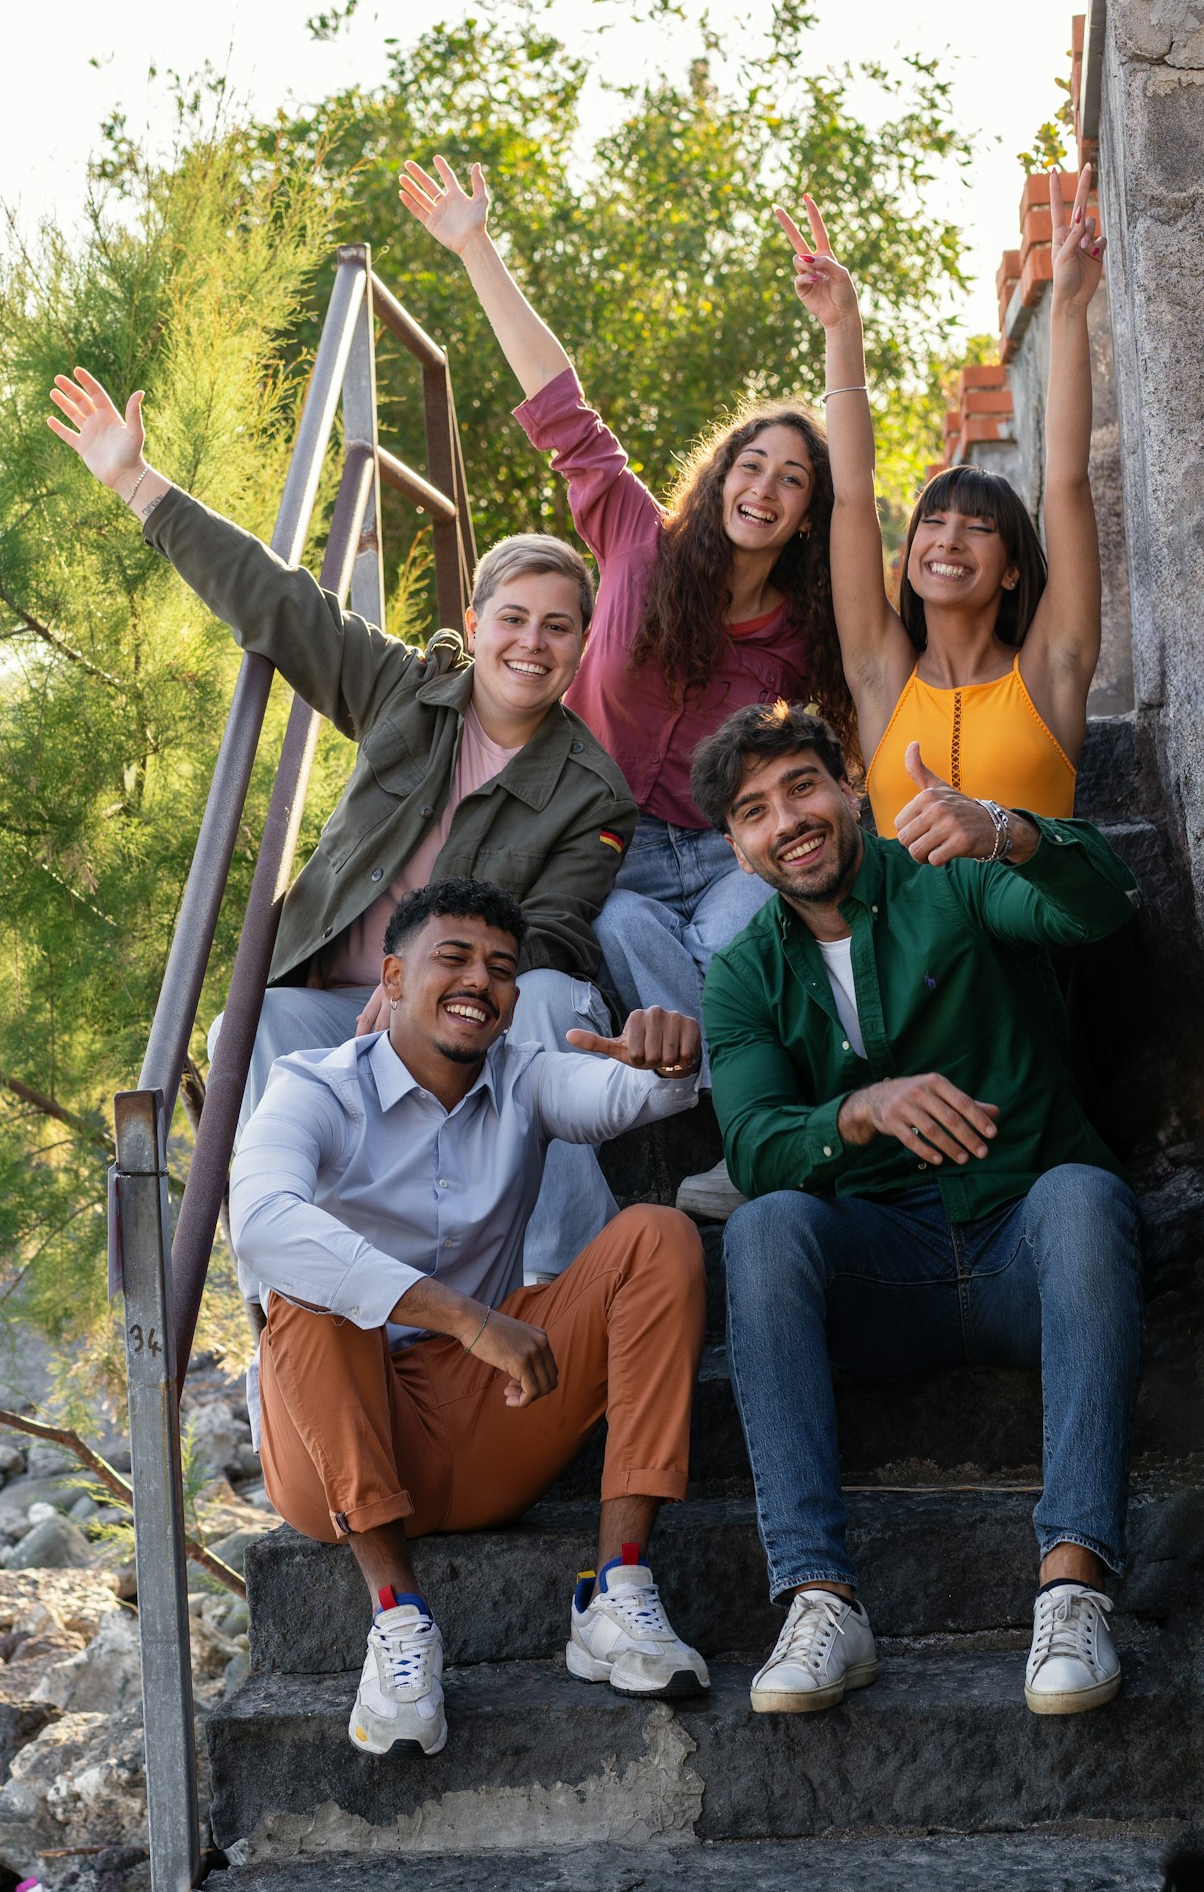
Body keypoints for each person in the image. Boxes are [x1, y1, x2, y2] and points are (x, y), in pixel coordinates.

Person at [46, 367, 638, 1278]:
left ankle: (557, 1285)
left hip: (467, 1014)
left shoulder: (591, 790)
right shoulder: (404, 692)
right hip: (341, 1000)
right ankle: (292, 1300)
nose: (532, 643)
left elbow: (554, 933)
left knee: (555, 1002)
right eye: (512, 618)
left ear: (581, 646)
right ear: (473, 625)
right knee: (259, 1028)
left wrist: (428, 992)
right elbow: (281, 603)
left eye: (558, 628)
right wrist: (136, 483)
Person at [400, 154, 858, 1219]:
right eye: (753, 463)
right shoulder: (635, 542)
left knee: (752, 922)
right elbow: (561, 407)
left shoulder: (802, 636)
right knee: (620, 933)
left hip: (727, 848)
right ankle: (753, 1103)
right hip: (610, 844)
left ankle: (741, 1120)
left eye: (794, 478)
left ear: (805, 515)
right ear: (721, 475)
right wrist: (476, 247)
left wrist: (841, 333)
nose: (767, 485)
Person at [692, 702, 1141, 1717]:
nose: (788, 820)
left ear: (849, 789)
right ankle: (820, 1598)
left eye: (802, 786)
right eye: (756, 810)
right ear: (736, 845)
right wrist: (853, 1111)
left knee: (1082, 1195)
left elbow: (1101, 906)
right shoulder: (743, 971)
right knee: (763, 1226)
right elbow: (757, 1143)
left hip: (1028, 1241)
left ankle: (1071, 1589)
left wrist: (1011, 832)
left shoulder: (950, 871)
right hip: (882, 1271)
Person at [229, 877, 710, 1756]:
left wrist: (670, 1063)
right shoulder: (314, 1087)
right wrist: (465, 1317)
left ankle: (617, 1590)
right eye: (451, 958)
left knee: (660, 1235)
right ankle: (398, 1621)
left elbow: (621, 1096)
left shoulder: (524, 1079)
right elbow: (260, 1222)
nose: (478, 981)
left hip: (486, 1431)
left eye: (499, 968)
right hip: (334, 1450)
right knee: (310, 1289)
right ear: (392, 978)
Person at [775, 171, 1107, 848]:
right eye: (932, 520)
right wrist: (842, 326)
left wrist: (1069, 308)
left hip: (1027, 943)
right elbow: (852, 495)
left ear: (1012, 570)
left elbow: (1066, 484)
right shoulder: (880, 673)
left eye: (979, 528)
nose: (948, 539)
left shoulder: (1051, 667)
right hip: (913, 953)